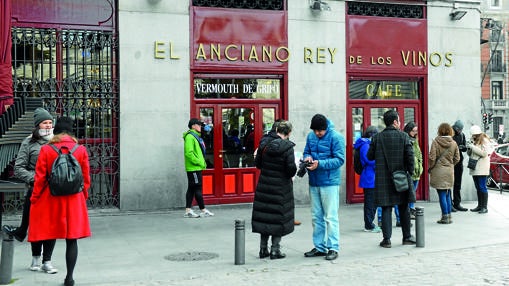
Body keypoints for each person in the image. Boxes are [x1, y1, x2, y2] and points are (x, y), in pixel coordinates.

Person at [28, 117, 91, 286]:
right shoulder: (81, 149)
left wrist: (34, 198)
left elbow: (40, 178)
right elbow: (85, 178)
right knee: (72, 239)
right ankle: (69, 278)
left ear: (55, 131)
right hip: (74, 199)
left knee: (50, 231)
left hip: (52, 197)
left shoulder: (47, 150)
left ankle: (44, 260)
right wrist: (83, 195)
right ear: (71, 132)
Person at [2, 108, 58, 273]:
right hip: (35, 190)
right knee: (37, 225)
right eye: (44, 122)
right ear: (37, 125)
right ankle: (35, 259)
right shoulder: (28, 142)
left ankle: (47, 261)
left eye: (50, 122)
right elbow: (19, 168)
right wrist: (36, 178)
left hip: (54, 191)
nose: (48, 126)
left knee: (52, 226)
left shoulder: (56, 141)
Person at [367, 110, 415, 248]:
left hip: (383, 178)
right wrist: (409, 173)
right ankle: (407, 237)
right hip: (401, 177)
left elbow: (370, 156)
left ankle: (386, 240)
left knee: (386, 207)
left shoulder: (377, 138)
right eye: (399, 121)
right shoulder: (404, 137)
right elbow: (410, 158)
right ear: (395, 122)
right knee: (404, 207)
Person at [251, 120, 297, 260]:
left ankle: (262, 249)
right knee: (278, 217)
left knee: (265, 217)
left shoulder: (263, 143)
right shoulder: (287, 147)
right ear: (288, 133)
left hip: (264, 185)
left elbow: (258, 164)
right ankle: (275, 250)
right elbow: (290, 170)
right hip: (281, 187)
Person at [302, 114, 345, 261]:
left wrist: (319, 164)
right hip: (314, 181)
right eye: (315, 130)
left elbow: (340, 160)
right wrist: (307, 157)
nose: (317, 133)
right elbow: (306, 151)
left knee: (330, 217)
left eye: (320, 131)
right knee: (316, 217)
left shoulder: (336, 137)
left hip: (330, 182)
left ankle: (333, 247)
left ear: (326, 127)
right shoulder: (311, 136)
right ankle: (319, 247)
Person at [429, 123, 460, 224]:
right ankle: (449, 215)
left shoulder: (435, 142)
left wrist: (431, 167)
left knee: (442, 194)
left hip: (438, 171)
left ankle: (445, 217)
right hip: (449, 171)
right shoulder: (454, 143)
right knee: (447, 193)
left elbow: (432, 157)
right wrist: (451, 165)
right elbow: (457, 158)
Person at [183, 118, 214, 218]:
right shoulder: (190, 137)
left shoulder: (195, 136)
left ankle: (188, 210)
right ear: (193, 126)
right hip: (194, 168)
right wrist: (199, 162)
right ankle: (203, 209)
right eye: (199, 125)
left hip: (195, 167)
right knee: (197, 188)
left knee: (192, 188)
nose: (200, 126)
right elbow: (189, 153)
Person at [353, 126, 380, 233]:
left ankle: (370, 223)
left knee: (373, 202)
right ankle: (369, 225)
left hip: (371, 176)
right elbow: (368, 160)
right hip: (370, 177)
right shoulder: (366, 145)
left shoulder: (367, 144)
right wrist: (380, 161)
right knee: (370, 203)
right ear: (372, 135)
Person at [467, 125, 493, 214]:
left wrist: (473, 147)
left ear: (477, 134)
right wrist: (469, 147)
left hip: (482, 167)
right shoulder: (475, 140)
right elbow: (469, 154)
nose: (472, 136)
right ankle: (479, 206)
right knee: (478, 187)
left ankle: (484, 207)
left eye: (473, 135)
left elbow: (484, 154)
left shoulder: (484, 141)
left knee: (482, 187)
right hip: (475, 167)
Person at [403, 122, 423, 218]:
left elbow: (419, 154)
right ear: (408, 131)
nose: (415, 133)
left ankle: (411, 209)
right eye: (413, 131)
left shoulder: (416, 140)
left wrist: (420, 165)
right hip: (410, 171)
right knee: (409, 193)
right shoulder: (405, 140)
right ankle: (408, 210)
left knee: (413, 192)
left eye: (416, 131)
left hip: (417, 171)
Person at [451, 120, 469, 212]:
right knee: (449, 184)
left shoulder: (462, 135)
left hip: (459, 162)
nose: (460, 131)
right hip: (450, 162)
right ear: (455, 127)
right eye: (458, 129)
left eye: (461, 129)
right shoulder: (450, 133)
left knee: (458, 183)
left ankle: (457, 203)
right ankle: (449, 204)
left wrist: (464, 147)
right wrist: (457, 147)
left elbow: (464, 147)